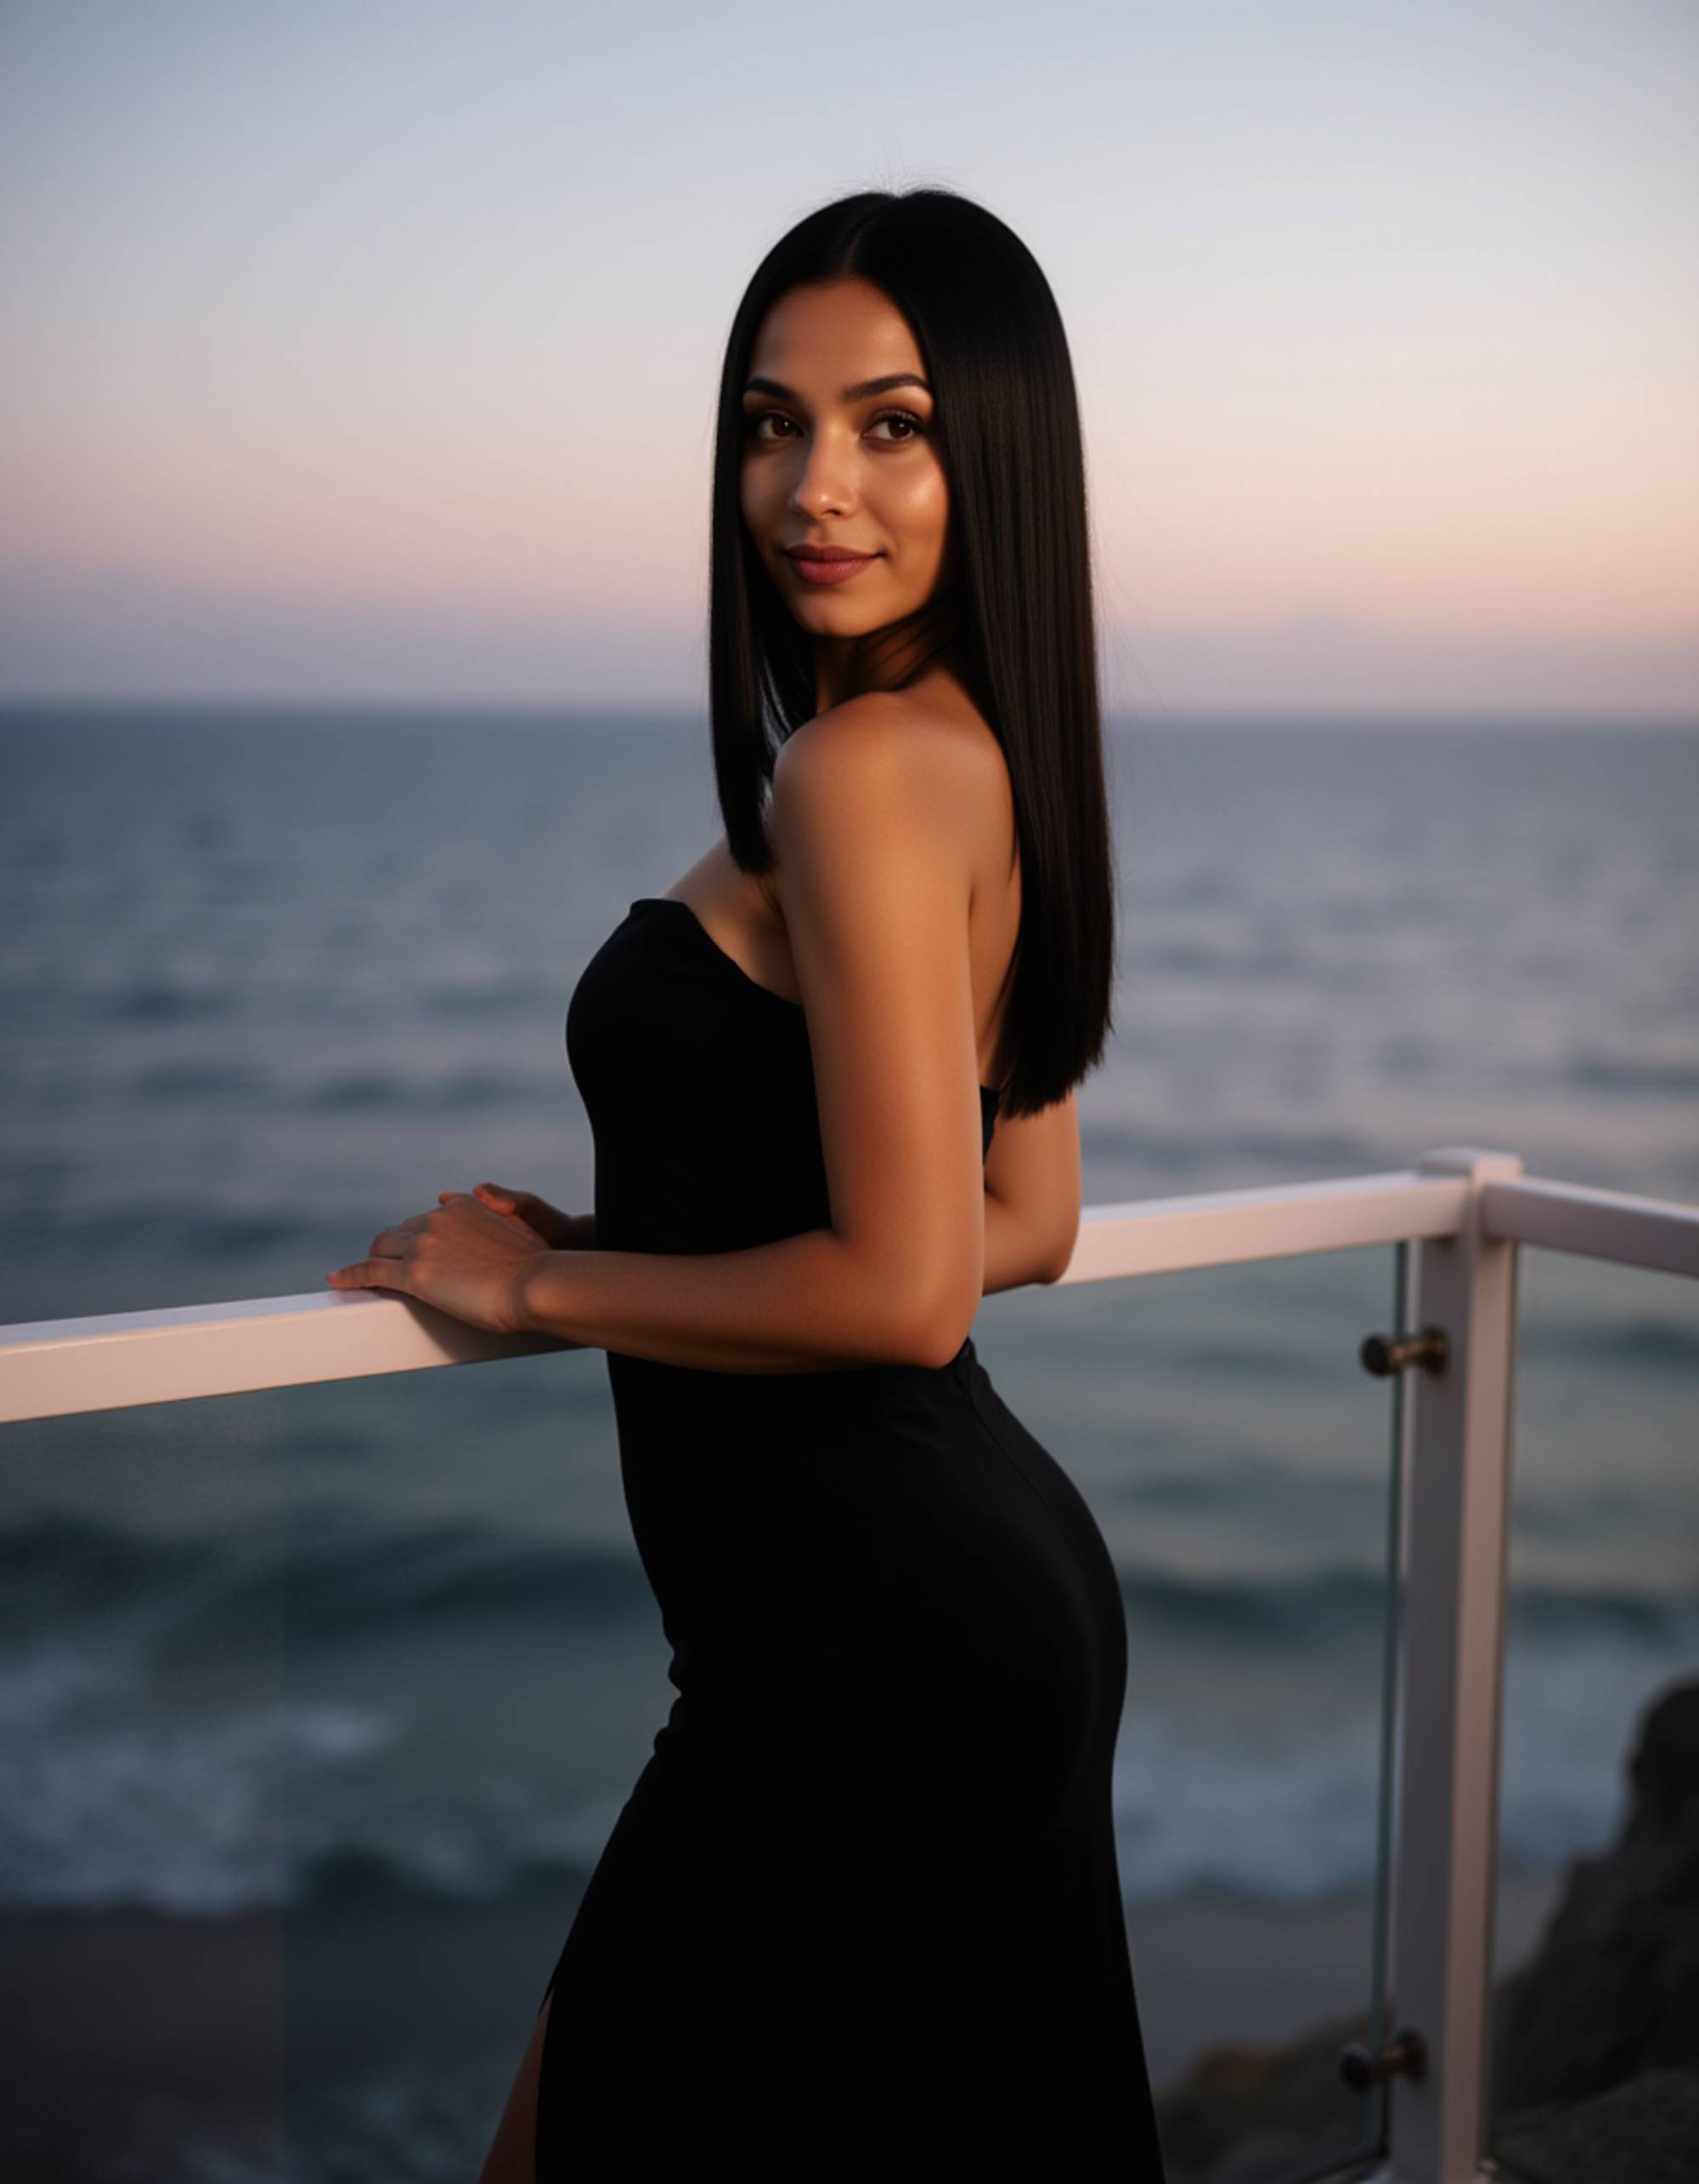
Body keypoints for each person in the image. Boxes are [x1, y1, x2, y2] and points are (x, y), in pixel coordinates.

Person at [328, 186, 1166, 2183]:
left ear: (995, 447)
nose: (815, 485)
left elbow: (910, 1287)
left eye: (890, 424)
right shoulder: (984, 749)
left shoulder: (858, 774)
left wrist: (539, 1295)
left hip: (855, 1654)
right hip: (971, 1616)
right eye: (770, 424)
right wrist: (632, 1239)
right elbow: (1019, 1215)